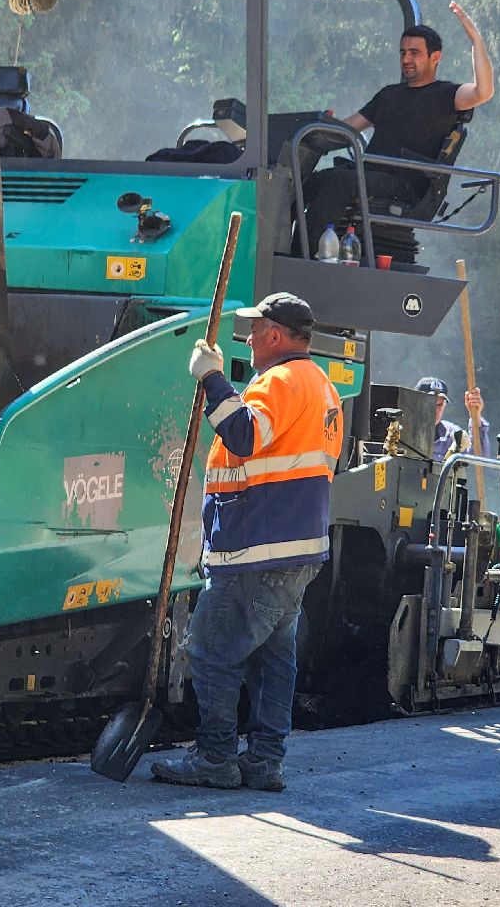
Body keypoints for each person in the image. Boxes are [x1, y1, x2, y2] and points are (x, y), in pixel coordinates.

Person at [151, 292, 343, 792]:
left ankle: (215, 757)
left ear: (276, 335)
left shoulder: (279, 380)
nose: (250, 338)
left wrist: (211, 377)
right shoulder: (321, 385)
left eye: (256, 330)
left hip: (256, 547)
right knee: (273, 657)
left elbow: (243, 434)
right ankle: (263, 761)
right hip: (296, 548)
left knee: (211, 649)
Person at [305, 2, 495, 262]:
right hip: (371, 174)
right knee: (308, 182)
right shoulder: (389, 95)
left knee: (339, 182)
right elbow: (348, 128)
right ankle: (280, 251)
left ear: (435, 57)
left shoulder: (446, 95)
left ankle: (307, 260)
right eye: (403, 52)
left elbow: (483, 92)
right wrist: (315, 127)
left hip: (406, 184)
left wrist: (476, 40)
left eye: (415, 52)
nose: (406, 59)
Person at [416, 376, 492, 462]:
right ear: (416, 403)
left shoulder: (453, 436)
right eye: (430, 403)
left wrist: (475, 415)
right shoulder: (401, 430)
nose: (434, 410)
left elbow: (478, 460)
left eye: (439, 405)